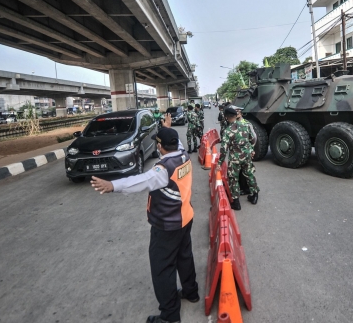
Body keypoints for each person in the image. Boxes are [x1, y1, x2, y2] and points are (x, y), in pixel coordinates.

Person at [90, 114, 199, 323]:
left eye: (159, 144)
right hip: (185, 217)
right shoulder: (184, 156)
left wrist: (113, 186)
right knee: (184, 256)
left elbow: (141, 181)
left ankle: (169, 316)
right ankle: (191, 292)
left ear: (161, 147)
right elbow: (180, 144)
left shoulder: (163, 169)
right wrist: (167, 128)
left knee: (162, 268)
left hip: (167, 225)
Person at [216, 107, 259, 210]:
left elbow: (223, 149)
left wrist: (219, 163)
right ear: (236, 115)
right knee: (249, 174)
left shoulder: (228, 131)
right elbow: (253, 139)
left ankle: (236, 202)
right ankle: (254, 195)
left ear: (226, 117)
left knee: (233, 178)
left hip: (235, 158)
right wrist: (251, 150)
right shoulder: (246, 125)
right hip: (247, 156)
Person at [234, 106, 257, 196]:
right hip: (237, 153)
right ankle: (243, 188)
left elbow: (254, 138)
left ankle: (246, 189)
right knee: (240, 172)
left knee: (246, 172)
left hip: (245, 152)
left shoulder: (246, 123)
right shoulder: (234, 124)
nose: (237, 114)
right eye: (236, 112)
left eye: (238, 112)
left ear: (241, 114)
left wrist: (251, 149)